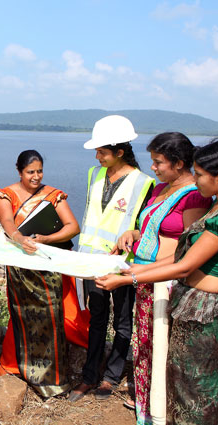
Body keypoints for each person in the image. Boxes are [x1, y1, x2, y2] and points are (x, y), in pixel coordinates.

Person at [96, 139, 218, 424]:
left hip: (206, 313)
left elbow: (184, 265)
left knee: (198, 393)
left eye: (199, 175)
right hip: (197, 308)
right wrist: (133, 271)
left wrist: (129, 279)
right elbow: (183, 257)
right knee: (186, 386)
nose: (194, 181)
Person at [111, 132, 211, 422]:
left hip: (167, 281)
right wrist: (132, 233)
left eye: (158, 162)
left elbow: (188, 249)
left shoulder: (194, 195)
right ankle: (147, 406)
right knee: (145, 344)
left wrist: (145, 271)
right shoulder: (159, 189)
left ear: (179, 164)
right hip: (144, 275)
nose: (152, 168)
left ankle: (163, 409)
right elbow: (153, 228)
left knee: (164, 345)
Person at [68, 115, 154, 403]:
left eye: (102, 151)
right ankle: (89, 376)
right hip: (92, 261)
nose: (97, 156)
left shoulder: (144, 183)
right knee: (96, 319)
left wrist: (135, 230)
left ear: (120, 152)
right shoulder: (94, 174)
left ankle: (111, 376)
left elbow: (148, 225)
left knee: (122, 322)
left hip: (123, 264)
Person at [0, 150, 80, 397]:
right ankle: (18, 367)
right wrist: (20, 239)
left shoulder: (53, 195)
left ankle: (52, 377)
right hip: (20, 266)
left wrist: (46, 239)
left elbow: (73, 227)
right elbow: (8, 224)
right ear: (19, 171)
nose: (35, 176)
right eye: (30, 172)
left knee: (52, 315)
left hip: (48, 265)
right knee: (22, 315)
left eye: (39, 171)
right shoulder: (5, 195)